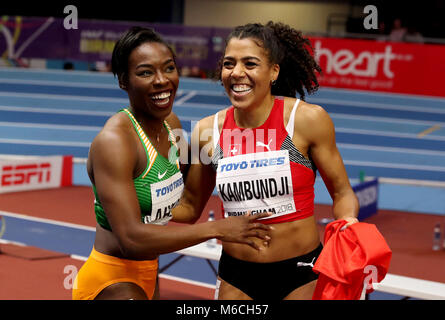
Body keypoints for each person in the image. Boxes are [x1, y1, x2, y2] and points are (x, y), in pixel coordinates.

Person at [72, 26, 273, 301]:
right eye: (145, 72)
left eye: (168, 68)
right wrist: (218, 229)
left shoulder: (171, 126)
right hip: (111, 279)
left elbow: (190, 202)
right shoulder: (115, 142)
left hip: (149, 274)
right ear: (123, 81)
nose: (161, 80)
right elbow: (131, 238)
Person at [172, 21, 359, 300]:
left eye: (250, 63)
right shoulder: (206, 131)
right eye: (228, 63)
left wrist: (348, 225)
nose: (237, 73)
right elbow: (188, 207)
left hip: (301, 273)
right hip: (237, 276)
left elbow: (342, 192)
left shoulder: (307, 120)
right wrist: (137, 202)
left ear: (274, 71)